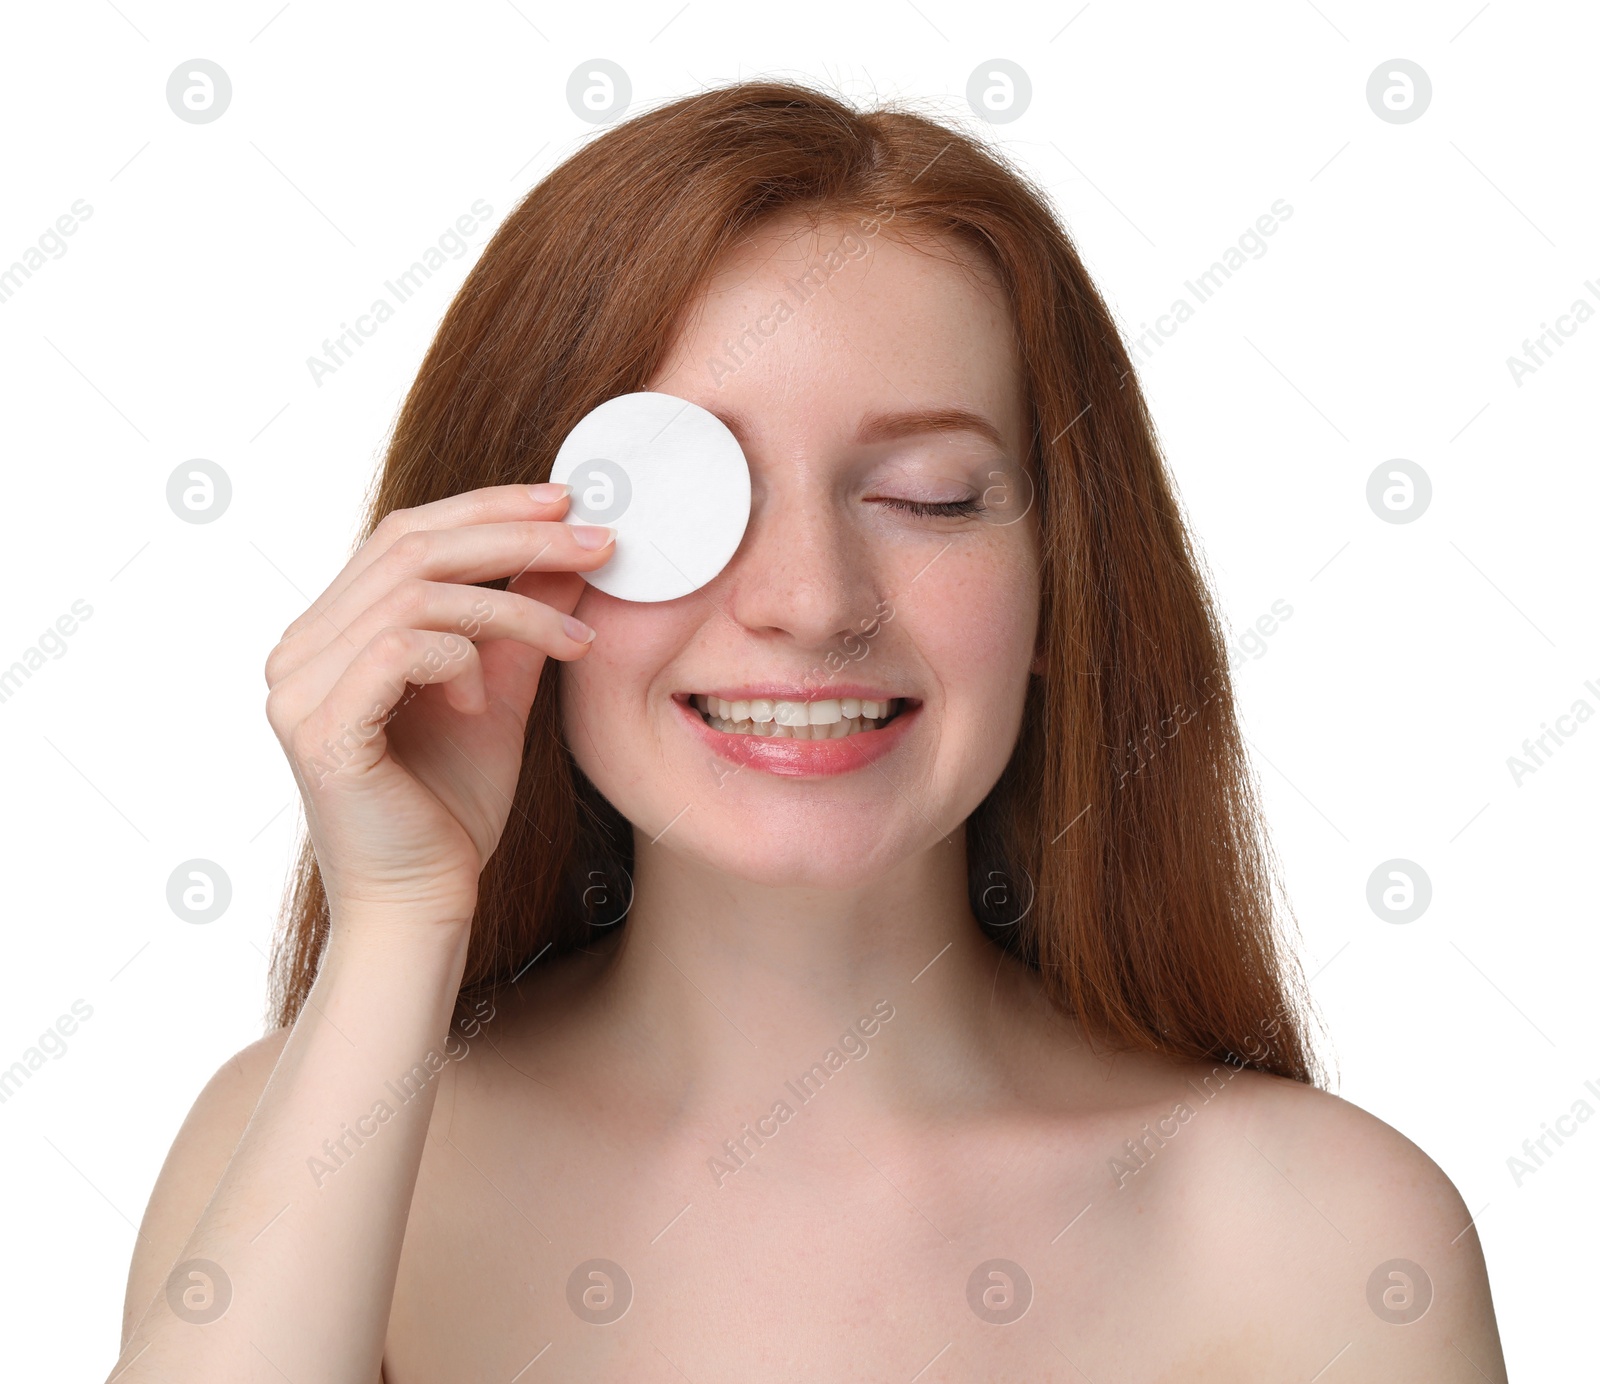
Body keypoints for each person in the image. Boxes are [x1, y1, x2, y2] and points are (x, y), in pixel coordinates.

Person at [109, 80, 1506, 1382]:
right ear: (489, 565)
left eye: (929, 496)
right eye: (678, 501)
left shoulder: (1331, 1238)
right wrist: (402, 914)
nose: (810, 601)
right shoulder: (308, 1149)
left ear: (1063, 592)